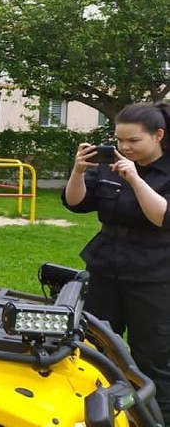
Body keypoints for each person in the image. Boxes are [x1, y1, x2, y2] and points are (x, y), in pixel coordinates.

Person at [62, 102, 170, 422]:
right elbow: (76, 202)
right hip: (105, 267)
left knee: (153, 359)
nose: (124, 147)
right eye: (119, 140)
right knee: (94, 349)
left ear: (158, 135)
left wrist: (135, 180)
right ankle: (96, 413)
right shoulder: (110, 166)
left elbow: (162, 217)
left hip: (153, 275)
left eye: (133, 140)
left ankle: (155, 418)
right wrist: (79, 171)